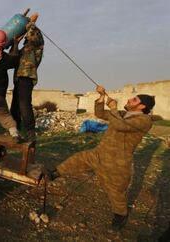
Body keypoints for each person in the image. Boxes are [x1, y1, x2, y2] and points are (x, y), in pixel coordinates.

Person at [43, 85, 156, 231]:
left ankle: (120, 216)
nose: (129, 99)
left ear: (142, 106)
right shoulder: (123, 114)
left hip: (117, 163)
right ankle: (54, 174)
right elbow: (100, 113)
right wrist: (102, 97)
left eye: (134, 99)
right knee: (78, 159)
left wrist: (114, 109)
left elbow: (120, 126)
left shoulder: (145, 120)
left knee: (116, 192)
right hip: (100, 153)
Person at [10, 13, 44, 142]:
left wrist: (30, 22)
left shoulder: (37, 42)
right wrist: (15, 43)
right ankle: (15, 132)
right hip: (18, 78)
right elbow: (13, 57)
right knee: (15, 106)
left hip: (27, 77)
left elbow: (32, 33)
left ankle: (30, 134)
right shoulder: (24, 48)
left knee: (24, 105)